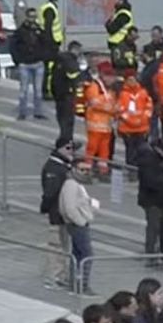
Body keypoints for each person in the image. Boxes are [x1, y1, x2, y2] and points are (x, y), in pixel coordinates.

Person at [39, 141, 77, 290]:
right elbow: (50, 193)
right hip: (56, 214)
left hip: (63, 215)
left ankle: (61, 275)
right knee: (56, 246)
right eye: (68, 148)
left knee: (62, 246)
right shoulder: (54, 168)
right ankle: (54, 277)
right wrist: (45, 208)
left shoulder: (63, 165)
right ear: (59, 149)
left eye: (73, 148)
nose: (71, 151)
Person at [58, 161, 99, 295]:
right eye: (82, 169)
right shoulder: (71, 185)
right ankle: (83, 285)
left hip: (79, 222)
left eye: (88, 170)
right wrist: (81, 221)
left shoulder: (77, 184)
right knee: (87, 254)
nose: (86, 172)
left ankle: (75, 284)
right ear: (74, 169)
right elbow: (69, 208)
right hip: (77, 224)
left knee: (77, 254)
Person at [132, 122, 163, 265]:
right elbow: (150, 181)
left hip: (160, 199)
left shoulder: (157, 158)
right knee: (154, 227)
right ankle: (151, 254)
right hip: (152, 200)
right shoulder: (149, 160)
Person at [12, 7, 48, 120]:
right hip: (25, 64)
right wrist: (17, 60)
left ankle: (38, 112)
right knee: (24, 90)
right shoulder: (20, 31)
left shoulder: (39, 30)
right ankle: (22, 112)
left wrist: (43, 57)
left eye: (34, 17)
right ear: (27, 17)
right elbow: (13, 46)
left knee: (38, 90)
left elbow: (46, 43)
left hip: (38, 64)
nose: (33, 19)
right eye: (31, 16)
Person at [82, 62, 117, 177]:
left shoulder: (110, 89)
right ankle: (87, 170)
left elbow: (113, 104)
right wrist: (111, 108)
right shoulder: (94, 86)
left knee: (104, 151)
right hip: (95, 125)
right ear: (102, 75)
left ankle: (103, 170)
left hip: (106, 126)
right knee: (92, 148)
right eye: (109, 76)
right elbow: (95, 103)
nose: (112, 79)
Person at [115, 69, 154, 169]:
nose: (132, 82)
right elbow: (120, 110)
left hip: (142, 128)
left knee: (142, 151)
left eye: (134, 79)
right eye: (129, 80)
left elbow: (149, 107)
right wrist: (132, 121)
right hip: (127, 129)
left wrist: (142, 119)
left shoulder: (143, 92)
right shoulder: (122, 94)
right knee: (130, 152)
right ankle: (131, 170)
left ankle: (141, 169)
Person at [51, 41, 87, 146]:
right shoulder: (70, 61)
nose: (80, 54)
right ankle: (65, 143)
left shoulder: (60, 59)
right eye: (79, 51)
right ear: (75, 49)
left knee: (62, 119)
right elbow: (75, 77)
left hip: (59, 94)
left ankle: (64, 142)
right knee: (68, 121)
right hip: (67, 94)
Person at [38, 0, 64, 99]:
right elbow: (48, 27)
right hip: (51, 44)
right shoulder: (50, 10)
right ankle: (47, 91)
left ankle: (47, 90)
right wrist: (51, 43)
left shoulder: (46, 7)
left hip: (48, 42)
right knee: (50, 68)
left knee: (48, 67)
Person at [105, 0, 137, 69]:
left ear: (121, 1)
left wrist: (108, 23)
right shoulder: (120, 13)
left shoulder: (123, 14)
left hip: (120, 43)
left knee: (119, 65)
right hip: (119, 43)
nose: (114, 2)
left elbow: (112, 28)